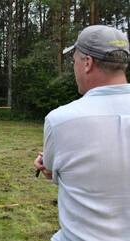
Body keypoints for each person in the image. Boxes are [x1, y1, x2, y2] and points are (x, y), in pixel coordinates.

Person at [34, 25, 130, 241]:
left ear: (87, 63)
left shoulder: (59, 120)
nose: (74, 67)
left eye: (74, 60)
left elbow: (51, 173)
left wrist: (46, 166)